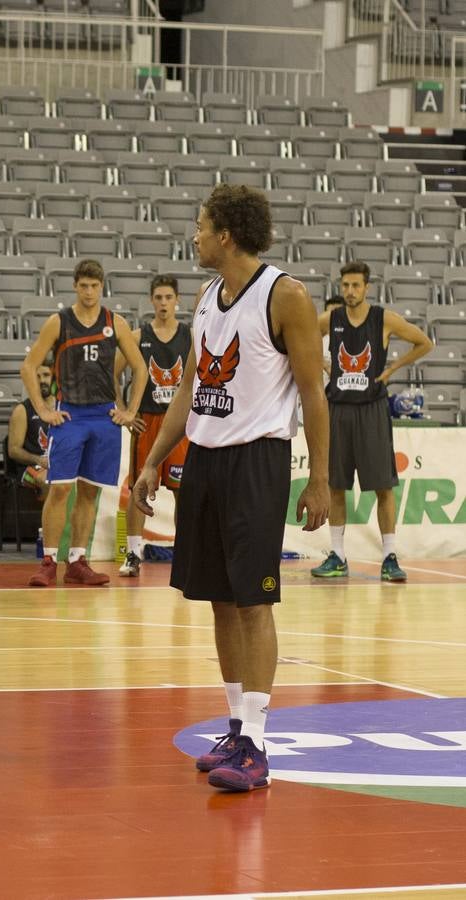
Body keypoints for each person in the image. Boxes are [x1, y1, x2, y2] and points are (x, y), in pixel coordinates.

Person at [132, 184, 330, 793]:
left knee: (253, 600)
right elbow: (189, 390)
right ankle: (237, 728)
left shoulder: (286, 296)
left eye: (200, 227)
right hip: (206, 462)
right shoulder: (206, 298)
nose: (193, 236)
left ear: (226, 235)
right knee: (218, 598)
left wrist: (318, 477)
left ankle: (259, 743)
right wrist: (153, 462)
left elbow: (314, 393)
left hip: (257, 462)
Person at [21, 259, 146, 587]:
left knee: (89, 492)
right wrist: (43, 409)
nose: (89, 292)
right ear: (75, 286)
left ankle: (77, 560)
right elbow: (29, 366)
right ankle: (49, 561)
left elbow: (141, 369)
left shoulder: (115, 323)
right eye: (84, 286)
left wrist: (129, 410)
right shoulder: (58, 322)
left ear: (102, 287)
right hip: (70, 416)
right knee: (60, 489)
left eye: (95, 286)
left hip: (103, 418)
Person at [310, 261, 432, 583]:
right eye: (345, 285)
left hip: (373, 410)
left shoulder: (383, 319)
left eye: (356, 285)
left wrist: (392, 369)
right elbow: (298, 339)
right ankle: (337, 556)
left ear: (367, 287)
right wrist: (321, 363)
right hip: (338, 409)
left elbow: (424, 342)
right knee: (336, 486)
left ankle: (389, 557)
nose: (350, 291)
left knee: (383, 487)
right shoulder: (330, 319)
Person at [114, 274, 192, 577]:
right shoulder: (137, 336)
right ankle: (133, 553)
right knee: (138, 489)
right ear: (151, 300)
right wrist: (123, 410)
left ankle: (185, 552)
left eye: (168, 297)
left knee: (183, 491)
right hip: (146, 421)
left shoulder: (191, 335)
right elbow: (112, 373)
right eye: (158, 298)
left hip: (180, 424)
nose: (163, 303)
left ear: (177, 300)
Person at [6, 357, 55, 501]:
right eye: (37, 377)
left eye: (46, 375)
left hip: (59, 462)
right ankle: (50, 523)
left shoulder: (63, 407)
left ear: (53, 377)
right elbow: (13, 450)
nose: (41, 381)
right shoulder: (22, 410)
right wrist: (38, 460)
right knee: (48, 479)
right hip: (30, 467)